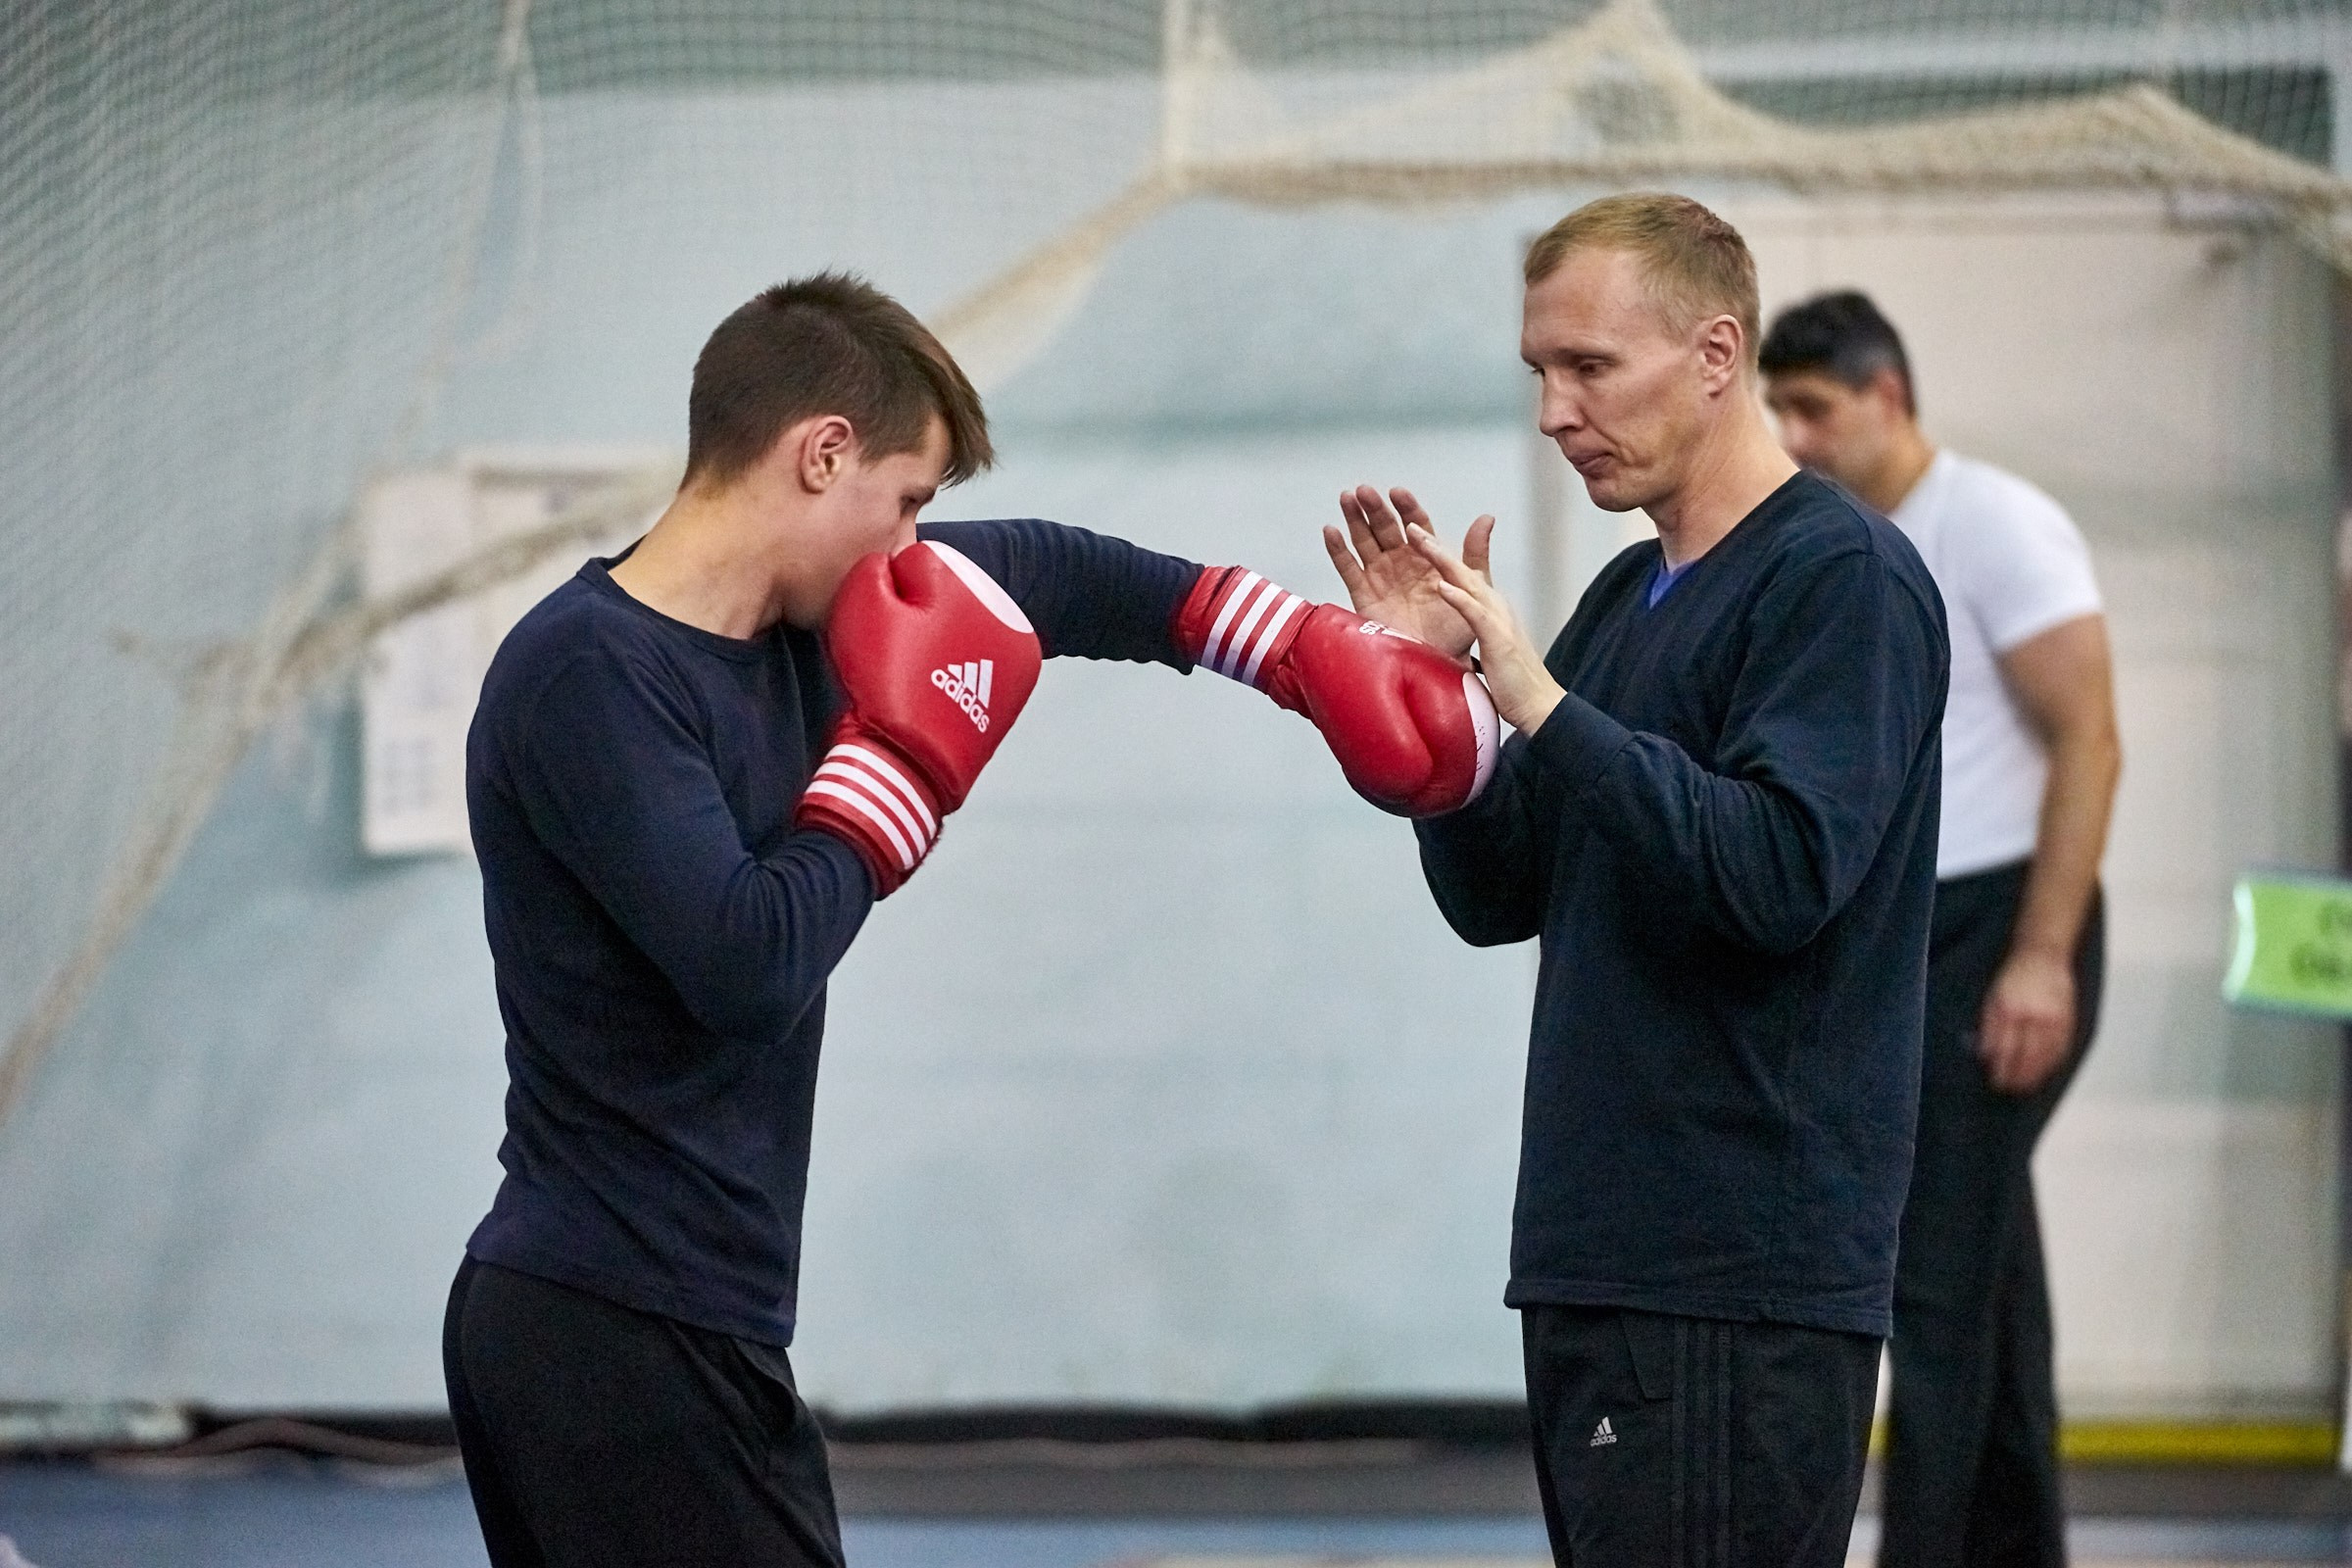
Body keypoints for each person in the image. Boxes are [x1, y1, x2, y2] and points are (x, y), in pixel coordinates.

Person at [442, 271, 1495, 1567]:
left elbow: (1073, 579)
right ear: (822, 454)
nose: (913, 550)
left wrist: (1311, 652)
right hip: (605, 1327)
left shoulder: (808, 627)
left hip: (683, 1319)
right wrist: (906, 772)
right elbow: (746, 962)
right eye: (907, 503)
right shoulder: (592, 673)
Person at [1323, 194, 1949, 1566]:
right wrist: (1437, 729)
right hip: (1606, 1253)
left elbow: (1779, 874)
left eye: (1590, 367)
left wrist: (1542, 703)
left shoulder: (1839, 581)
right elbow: (1505, 897)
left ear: (1718, 357)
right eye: (1542, 371)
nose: (1556, 411)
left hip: (1737, 1273)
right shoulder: (1627, 599)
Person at [1762, 290, 2120, 1568]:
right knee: (1989, 1274)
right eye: (1777, 410)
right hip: (1915, 938)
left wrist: (2039, 953)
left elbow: (2091, 736)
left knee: (1932, 1282)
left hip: (2007, 928)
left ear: (1887, 396)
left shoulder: (1998, 526)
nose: (1792, 436)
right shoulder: (1834, 547)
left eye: (1813, 408)